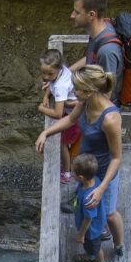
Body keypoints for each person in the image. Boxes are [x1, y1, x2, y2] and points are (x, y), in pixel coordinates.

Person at [35, 65, 125, 262]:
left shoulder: (110, 118)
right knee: (87, 207)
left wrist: (101, 188)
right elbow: (70, 119)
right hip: (86, 167)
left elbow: (117, 158)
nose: (73, 91)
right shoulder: (84, 102)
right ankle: (94, 247)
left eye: (77, 88)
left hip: (104, 171)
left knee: (110, 213)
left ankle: (119, 247)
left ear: (90, 90)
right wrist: (46, 133)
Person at [67, 0, 123, 105]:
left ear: (91, 15)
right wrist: (65, 73)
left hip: (101, 117)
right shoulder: (102, 30)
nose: (72, 15)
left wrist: (74, 103)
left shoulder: (107, 50)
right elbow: (93, 56)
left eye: (77, 12)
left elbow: (106, 96)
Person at [37, 48, 79, 184]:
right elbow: (52, 82)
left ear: (58, 69)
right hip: (76, 110)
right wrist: (46, 96)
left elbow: (57, 113)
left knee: (63, 144)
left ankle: (66, 173)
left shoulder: (61, 86)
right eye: (43, 72)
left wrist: (42, 109)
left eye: (49, 73)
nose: (46, 77)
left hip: (72, 116)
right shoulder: (63, 71)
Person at [71, 152, 108, 262]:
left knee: (95, 247)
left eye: (73, 173)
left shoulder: (89, 198)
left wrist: (81, 234)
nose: (72, 174)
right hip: (95, 226)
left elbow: (88, 219)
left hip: (91, 230)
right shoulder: (95, 179)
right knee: (91, 247)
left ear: (81, 177)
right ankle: (90, 255)